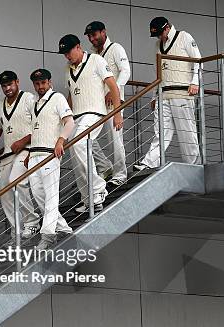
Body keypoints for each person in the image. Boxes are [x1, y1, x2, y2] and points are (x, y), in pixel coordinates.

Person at [58, 34, 123, 213]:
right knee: (76, 152)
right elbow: (71, 95)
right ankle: (89, 199)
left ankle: (99, 189)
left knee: (79, 144)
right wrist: (66, 118)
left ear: (78, 47)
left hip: (94, 113)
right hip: (76, 117)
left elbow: (113, 86)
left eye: (69, 51)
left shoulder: (96, 60)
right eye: (64, 53)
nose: (67, 56)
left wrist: (117, 114)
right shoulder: (67, 69)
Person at [0, 70, 40, 245]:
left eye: (10, 84)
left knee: (17, 180)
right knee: (4, 190)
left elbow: (40, 123)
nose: (7, 88)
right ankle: (18, 231)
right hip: (8, 152)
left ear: (17, 82)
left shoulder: (28, 98)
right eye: (4, 86)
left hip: (27, 147)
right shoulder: (0, 105)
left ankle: (32, 221)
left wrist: (23, 141)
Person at [135, 17, 201, 170]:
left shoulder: (184, 37)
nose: (158, 37)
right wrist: (154, 95)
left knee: (186, 132)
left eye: (159, 33)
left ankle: (194, 166)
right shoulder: (158, 44)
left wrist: (195, 82)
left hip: (182, 92)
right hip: (162, 94)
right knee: (160, 132)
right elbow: (156, 71)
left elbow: (198, 60)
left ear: (166, 28)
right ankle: (149, 163)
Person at [26, 69, 75, 249]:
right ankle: (64, 229)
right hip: (34, 155)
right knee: (40, 197)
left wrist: (61, 140)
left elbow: (70, 122)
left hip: (49, 154)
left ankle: (47, 236)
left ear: (49, 82)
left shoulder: (58, 98)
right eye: (37, 83)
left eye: (43, 83)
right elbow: (35, 130)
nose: (40, 86)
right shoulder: (33, 104)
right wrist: (29, 153)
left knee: (51, 197)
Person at [85, 21, 131, 186]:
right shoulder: (91, 54)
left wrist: (115, 90)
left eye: (94, 35)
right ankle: (105, 166)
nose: (92, 39)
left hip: (114, 103)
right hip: (95, 104)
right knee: (85, 136)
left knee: (115, 138)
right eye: (89, 36)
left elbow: (126, 71)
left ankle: (120, 174)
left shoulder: (116, 48)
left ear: (104, 32)